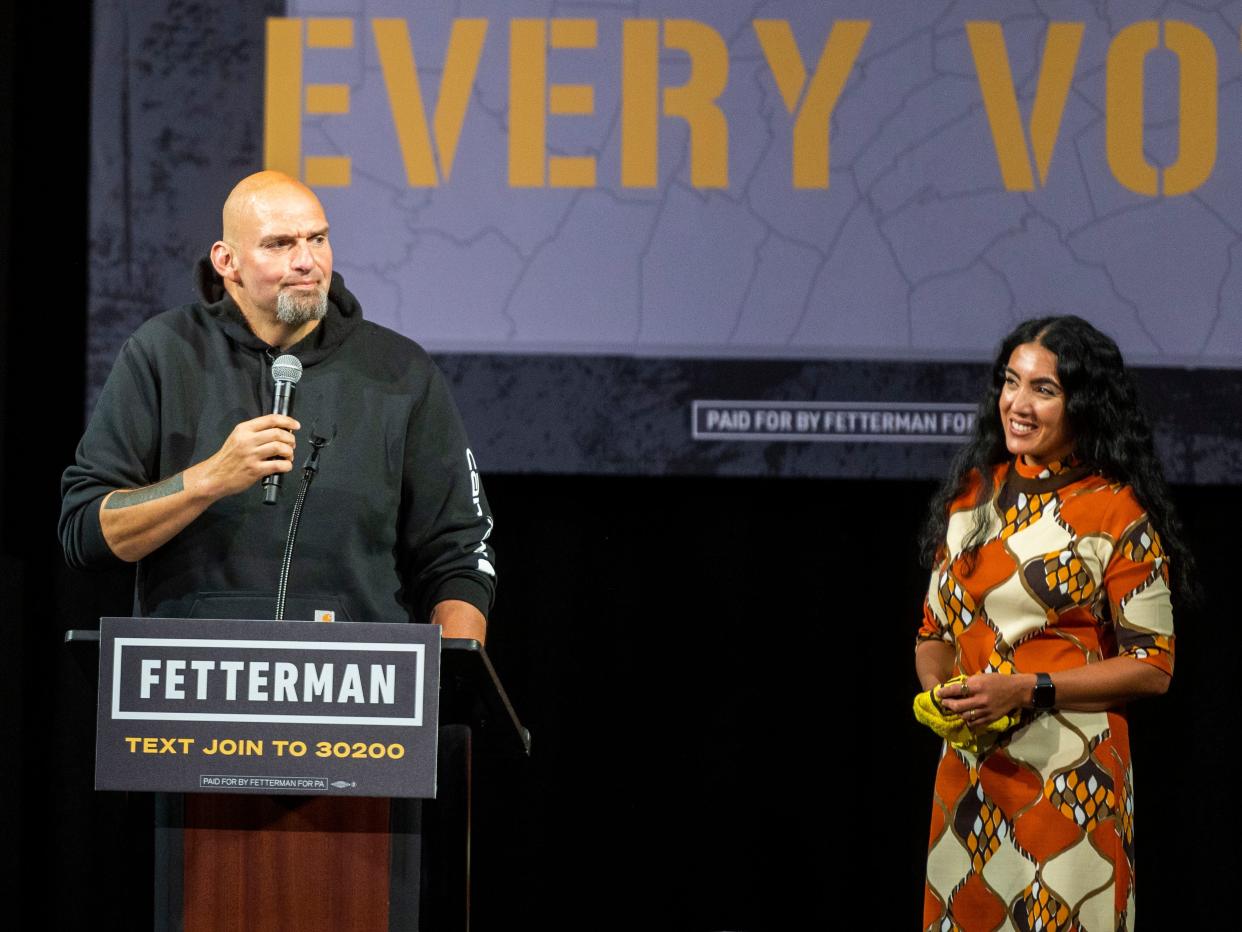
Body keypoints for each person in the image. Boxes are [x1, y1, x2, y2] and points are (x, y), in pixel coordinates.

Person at [60, 171, 495, 641]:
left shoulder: (400, 371)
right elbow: (87, 531)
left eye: (318, 239)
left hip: (356, 686)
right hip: (196, 683)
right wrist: (209, 479)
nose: (307, 261)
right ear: (227, 261)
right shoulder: (162, 353)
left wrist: (444, 680)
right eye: (280, 244)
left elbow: (459, 553)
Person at [913, 316, 1190, 931]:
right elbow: (934, 632)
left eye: (1044, 389)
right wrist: (940, 692)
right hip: (970, 774)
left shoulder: (1116, 511)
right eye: (1012, 383)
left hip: (1070, 782)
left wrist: (1028, 687)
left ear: (1081, 404)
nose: (1018, 403)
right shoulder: (970, 495)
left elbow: (1154, 668)